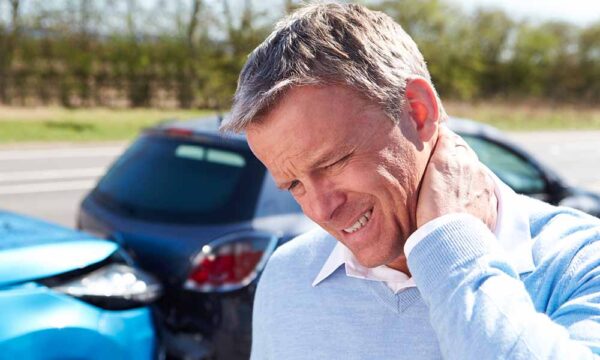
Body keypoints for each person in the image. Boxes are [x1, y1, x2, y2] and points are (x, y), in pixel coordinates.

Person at [220, 3, 600, 359]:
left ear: (418, 111)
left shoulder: (583, 263)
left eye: (334, 162)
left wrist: (451, 246)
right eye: (294, 185)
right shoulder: (288, 274)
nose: (320, 209)